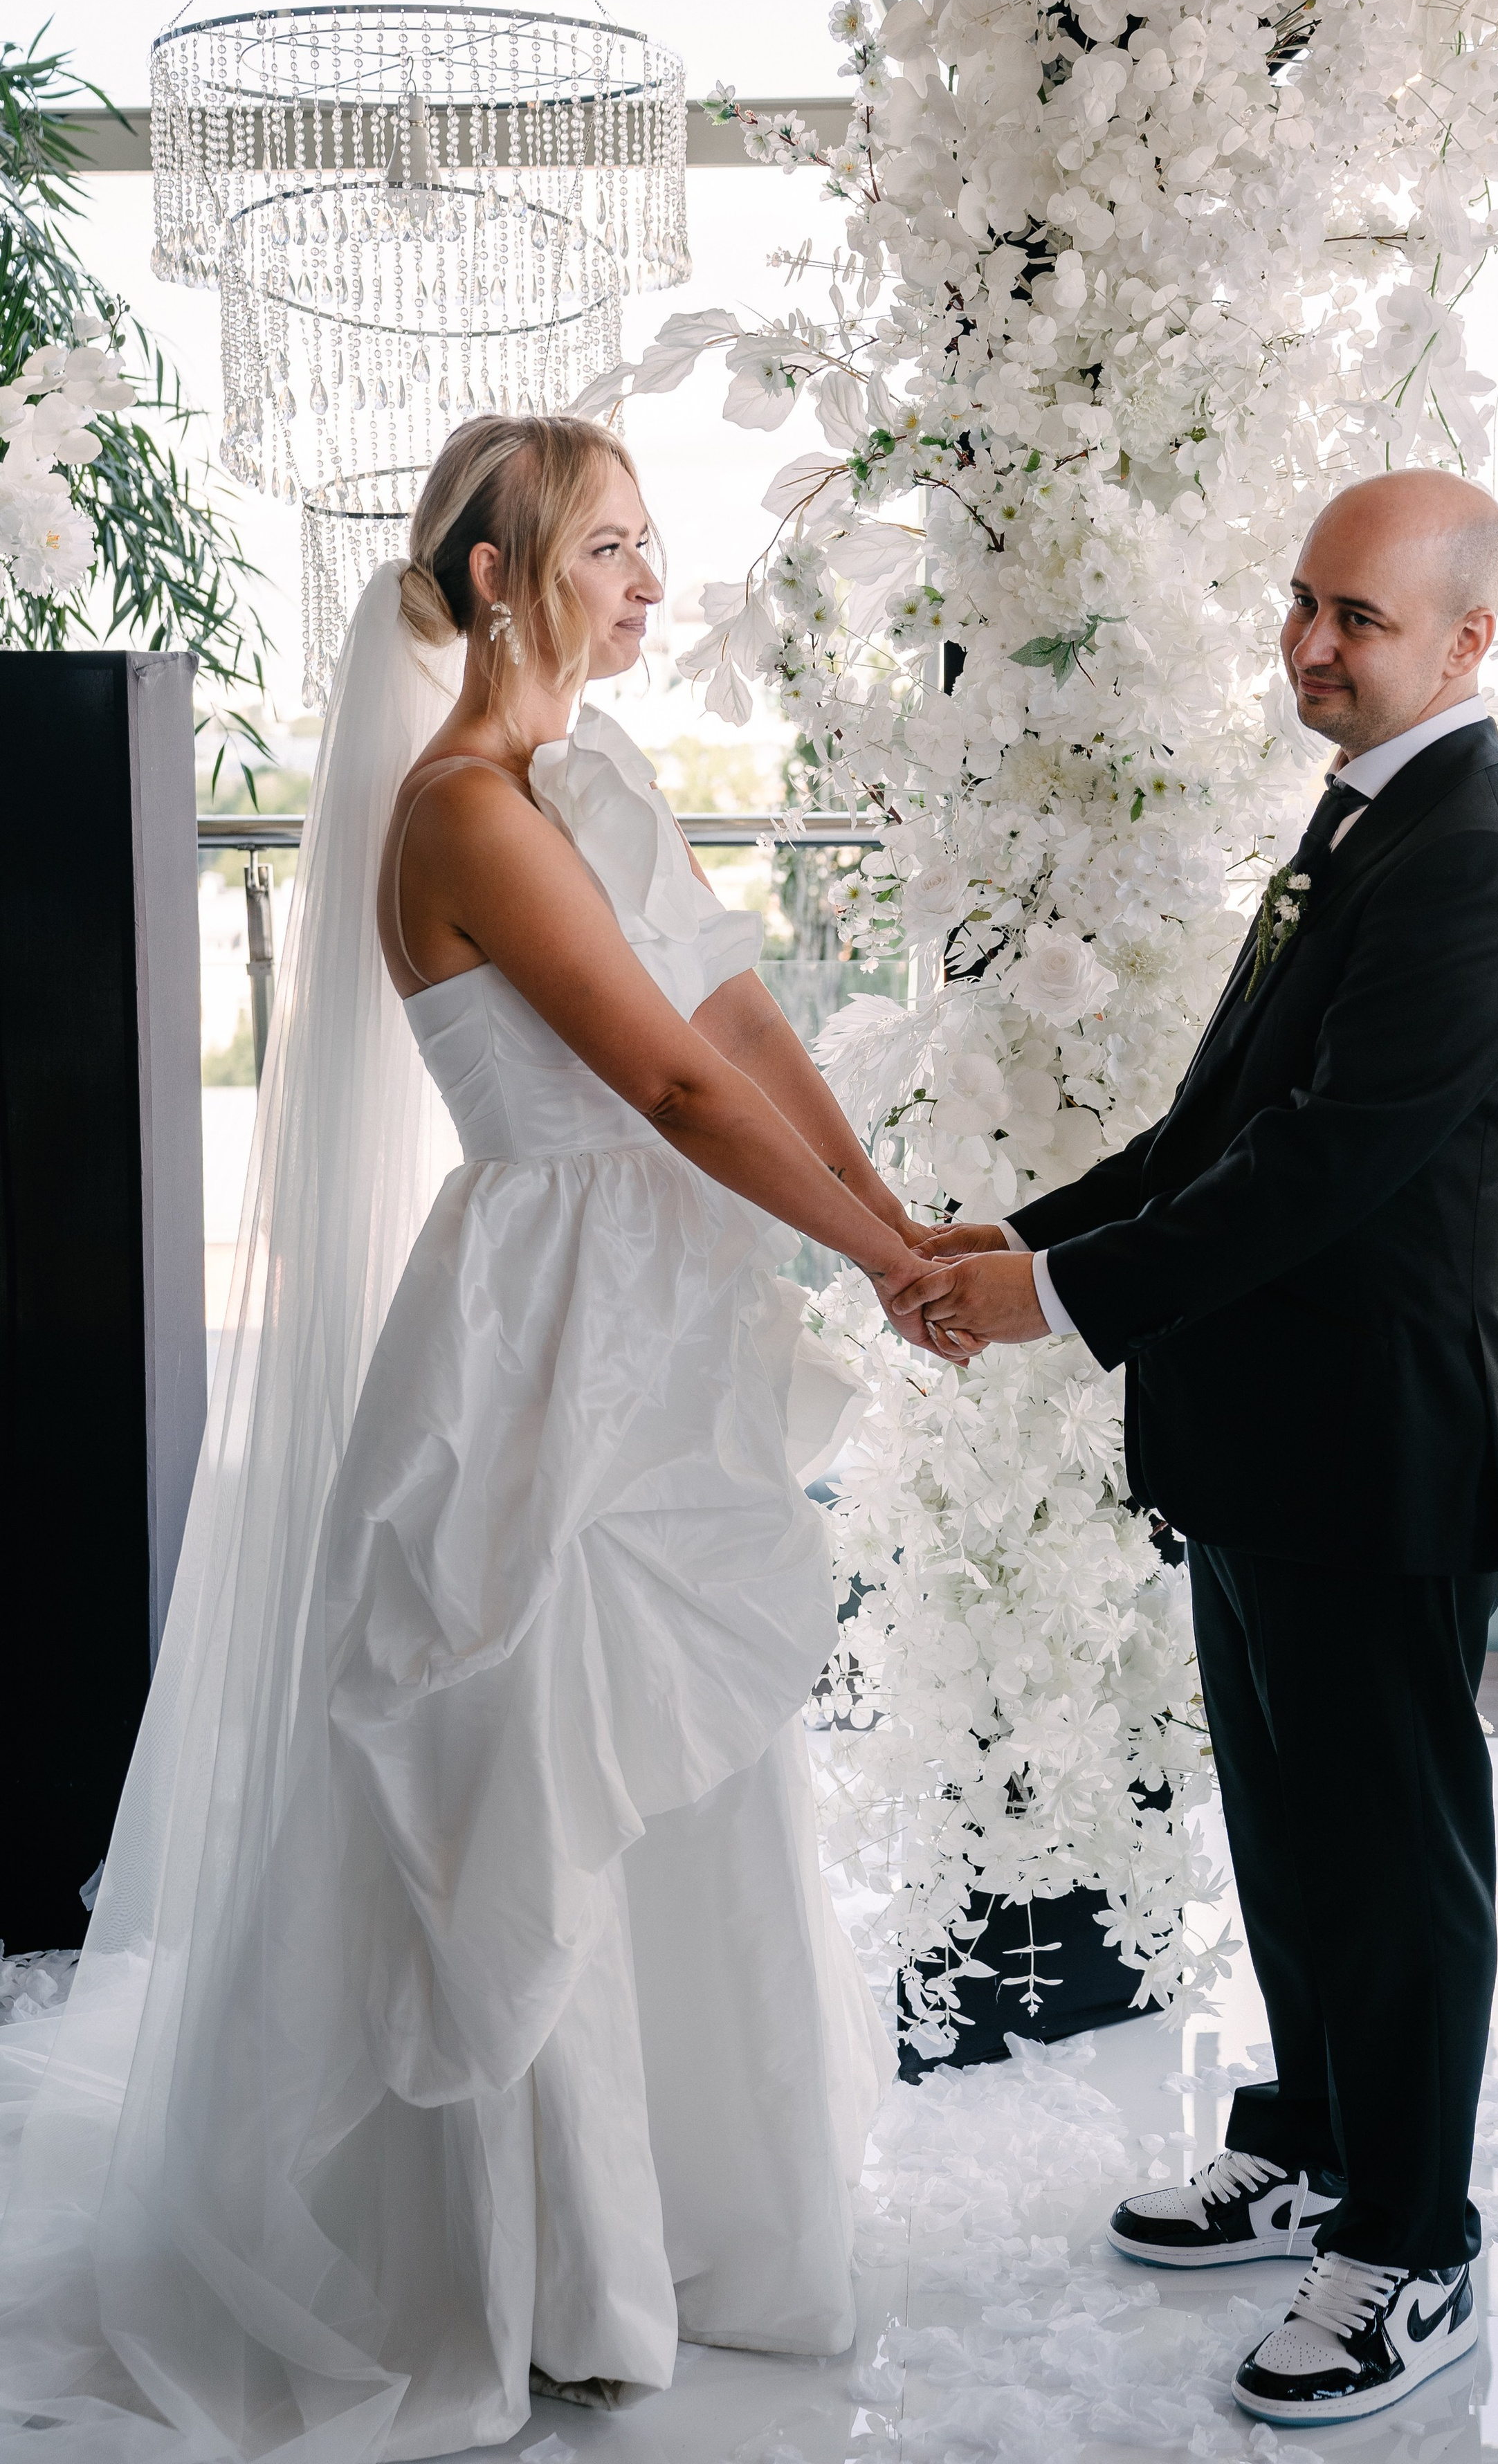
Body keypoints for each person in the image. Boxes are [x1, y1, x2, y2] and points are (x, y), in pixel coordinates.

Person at [0, 414, 951, 2459]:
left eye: (652, 544)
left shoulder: (596, 774)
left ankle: (689, 2221)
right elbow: (671, 1103)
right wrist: (879, 1263)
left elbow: (744, 1022)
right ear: (503, 575)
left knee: (656, 1759)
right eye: (613, 548)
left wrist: (900, 1216)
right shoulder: (465, 810)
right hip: (542, 1332)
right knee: (515, 1759)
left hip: (657, 1320)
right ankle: (533, 2269)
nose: (654, 587)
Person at [892, 468, 1498, 2426]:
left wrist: (1052, 1303)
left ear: (1468, 639)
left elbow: (1319, 1181)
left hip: (1381, 1452)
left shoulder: (1477, 859)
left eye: (1357, 618)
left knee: (1398, 1857)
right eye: (1302, 601)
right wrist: (1017, 1235)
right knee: (1292, 1838)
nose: (1308, 643)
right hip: (1265, 1442)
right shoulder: (1370, 816)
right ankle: (1307, 2149)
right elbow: (1218, 1120)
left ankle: (1413, 2244)